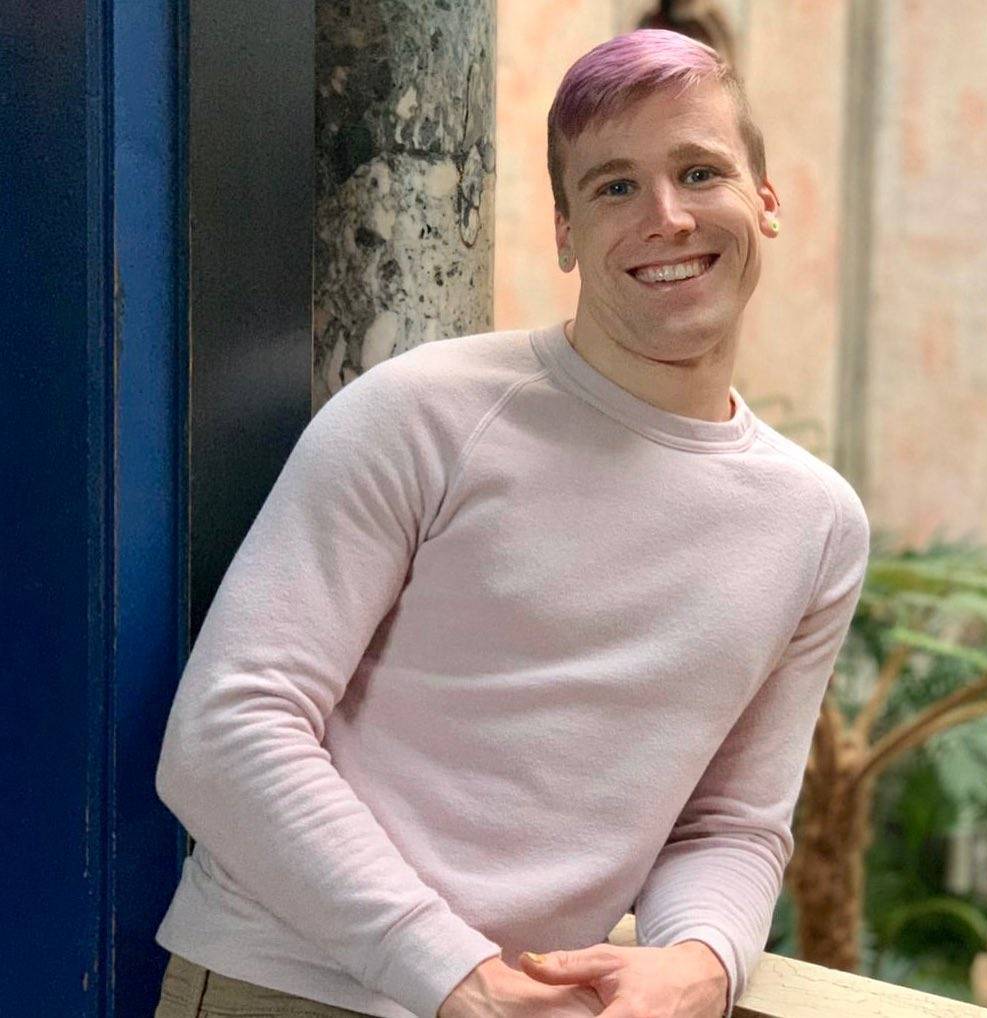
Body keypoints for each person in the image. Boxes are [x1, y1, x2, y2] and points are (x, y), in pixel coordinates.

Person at [152, 29, 869, 1018]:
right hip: (286, 985)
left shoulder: (816, 524)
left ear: (767, 201)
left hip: (535, 1001)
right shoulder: (420, 413)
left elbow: (729, 826)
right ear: (567, 233)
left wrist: (703, 959)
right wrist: (452, 972)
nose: (665, 216)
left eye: (700, 172)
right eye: (615, 187)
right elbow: (224, 733)